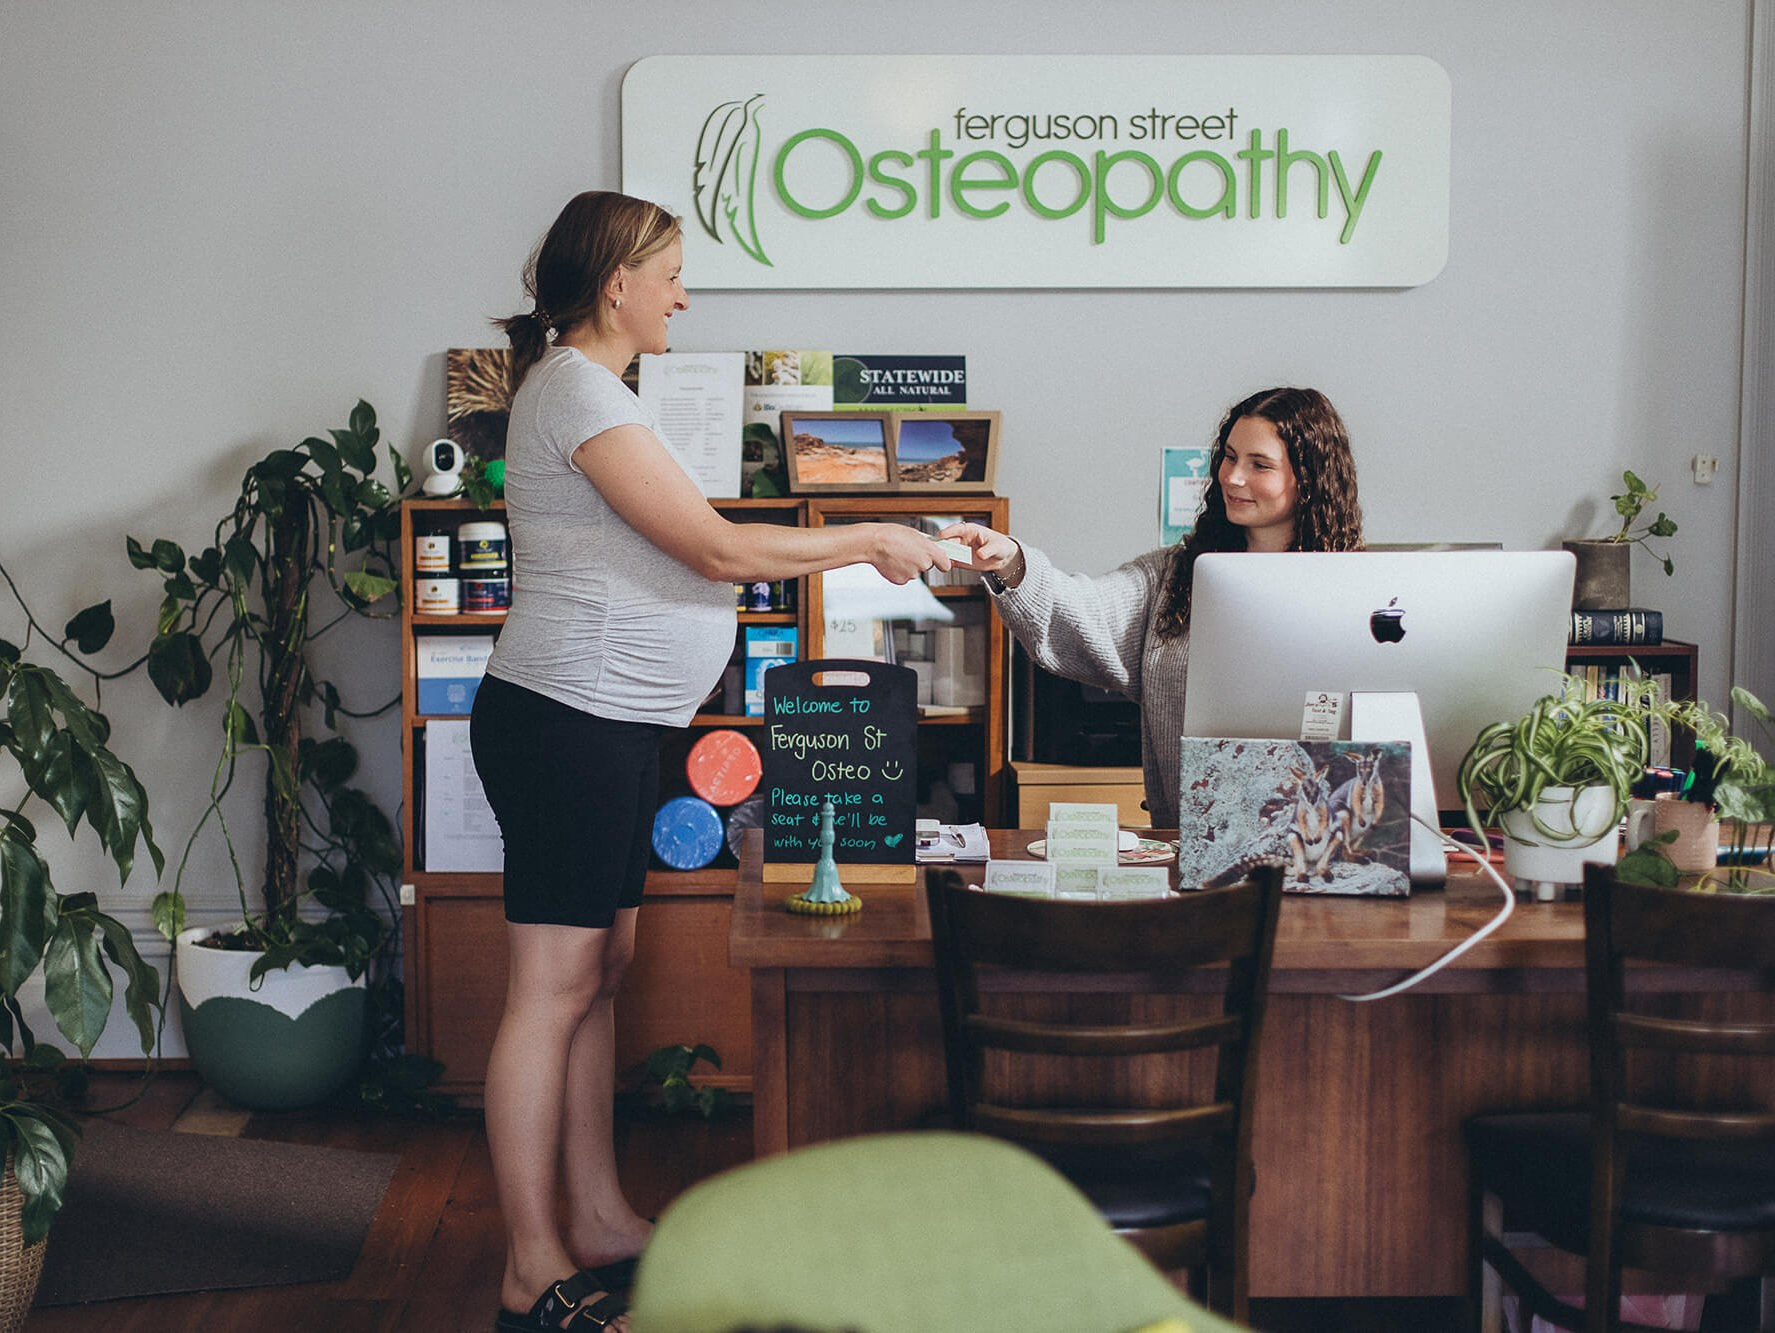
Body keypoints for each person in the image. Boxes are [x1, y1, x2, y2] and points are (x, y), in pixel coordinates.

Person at [473, 190, 949, 1333]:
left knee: (597, 976)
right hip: (563, 718)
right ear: (615, 285)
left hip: (614, 722)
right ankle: (530, 1266)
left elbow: (695, 540)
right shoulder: (579, 390)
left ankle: (591, 1215)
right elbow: (718, 547)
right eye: (672, 274)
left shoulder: (594, 391)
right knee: (550, 990)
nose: (684, 294)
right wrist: (870, 533)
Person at [939, 386, 1363, 829]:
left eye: (1259, 465)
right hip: (1194, 845)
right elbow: (1084, 609)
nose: (1233, 477)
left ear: (1310, 479)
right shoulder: (1173, 577)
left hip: (1330, 841)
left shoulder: (1356, 589)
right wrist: (1011, 562)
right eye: (1230, 456)